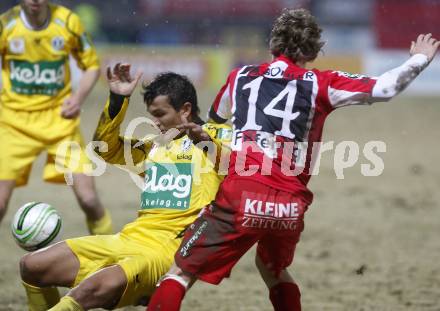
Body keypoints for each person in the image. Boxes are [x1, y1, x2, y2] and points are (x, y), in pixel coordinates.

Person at [146, 8, 440, 311]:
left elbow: (215, 120)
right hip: (290, 204)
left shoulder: (241, 77)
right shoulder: (322, 82)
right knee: (272, 267)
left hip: (243, 194)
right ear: (313, 50)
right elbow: (386, 87)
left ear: (273, 44)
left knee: (180, 273)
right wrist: (420, 57)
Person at [19, 63, 231, 310]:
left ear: (185, 110)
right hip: (128, 238)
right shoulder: (155, 148)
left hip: (164, 254)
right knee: (31, 266)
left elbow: (239, 163)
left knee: (88, 291)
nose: (154, 122)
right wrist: (119, 98)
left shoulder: (215, 138)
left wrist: (207, 138)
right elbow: (105, 149)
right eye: (151, 114)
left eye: (160, 114)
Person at [0, 0, 112, 234]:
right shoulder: (6, 25)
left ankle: (110, 256)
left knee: (89, 200)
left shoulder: (68, 22)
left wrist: (78, 98)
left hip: (60, 123)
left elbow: (92, 66)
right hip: (13, 125)